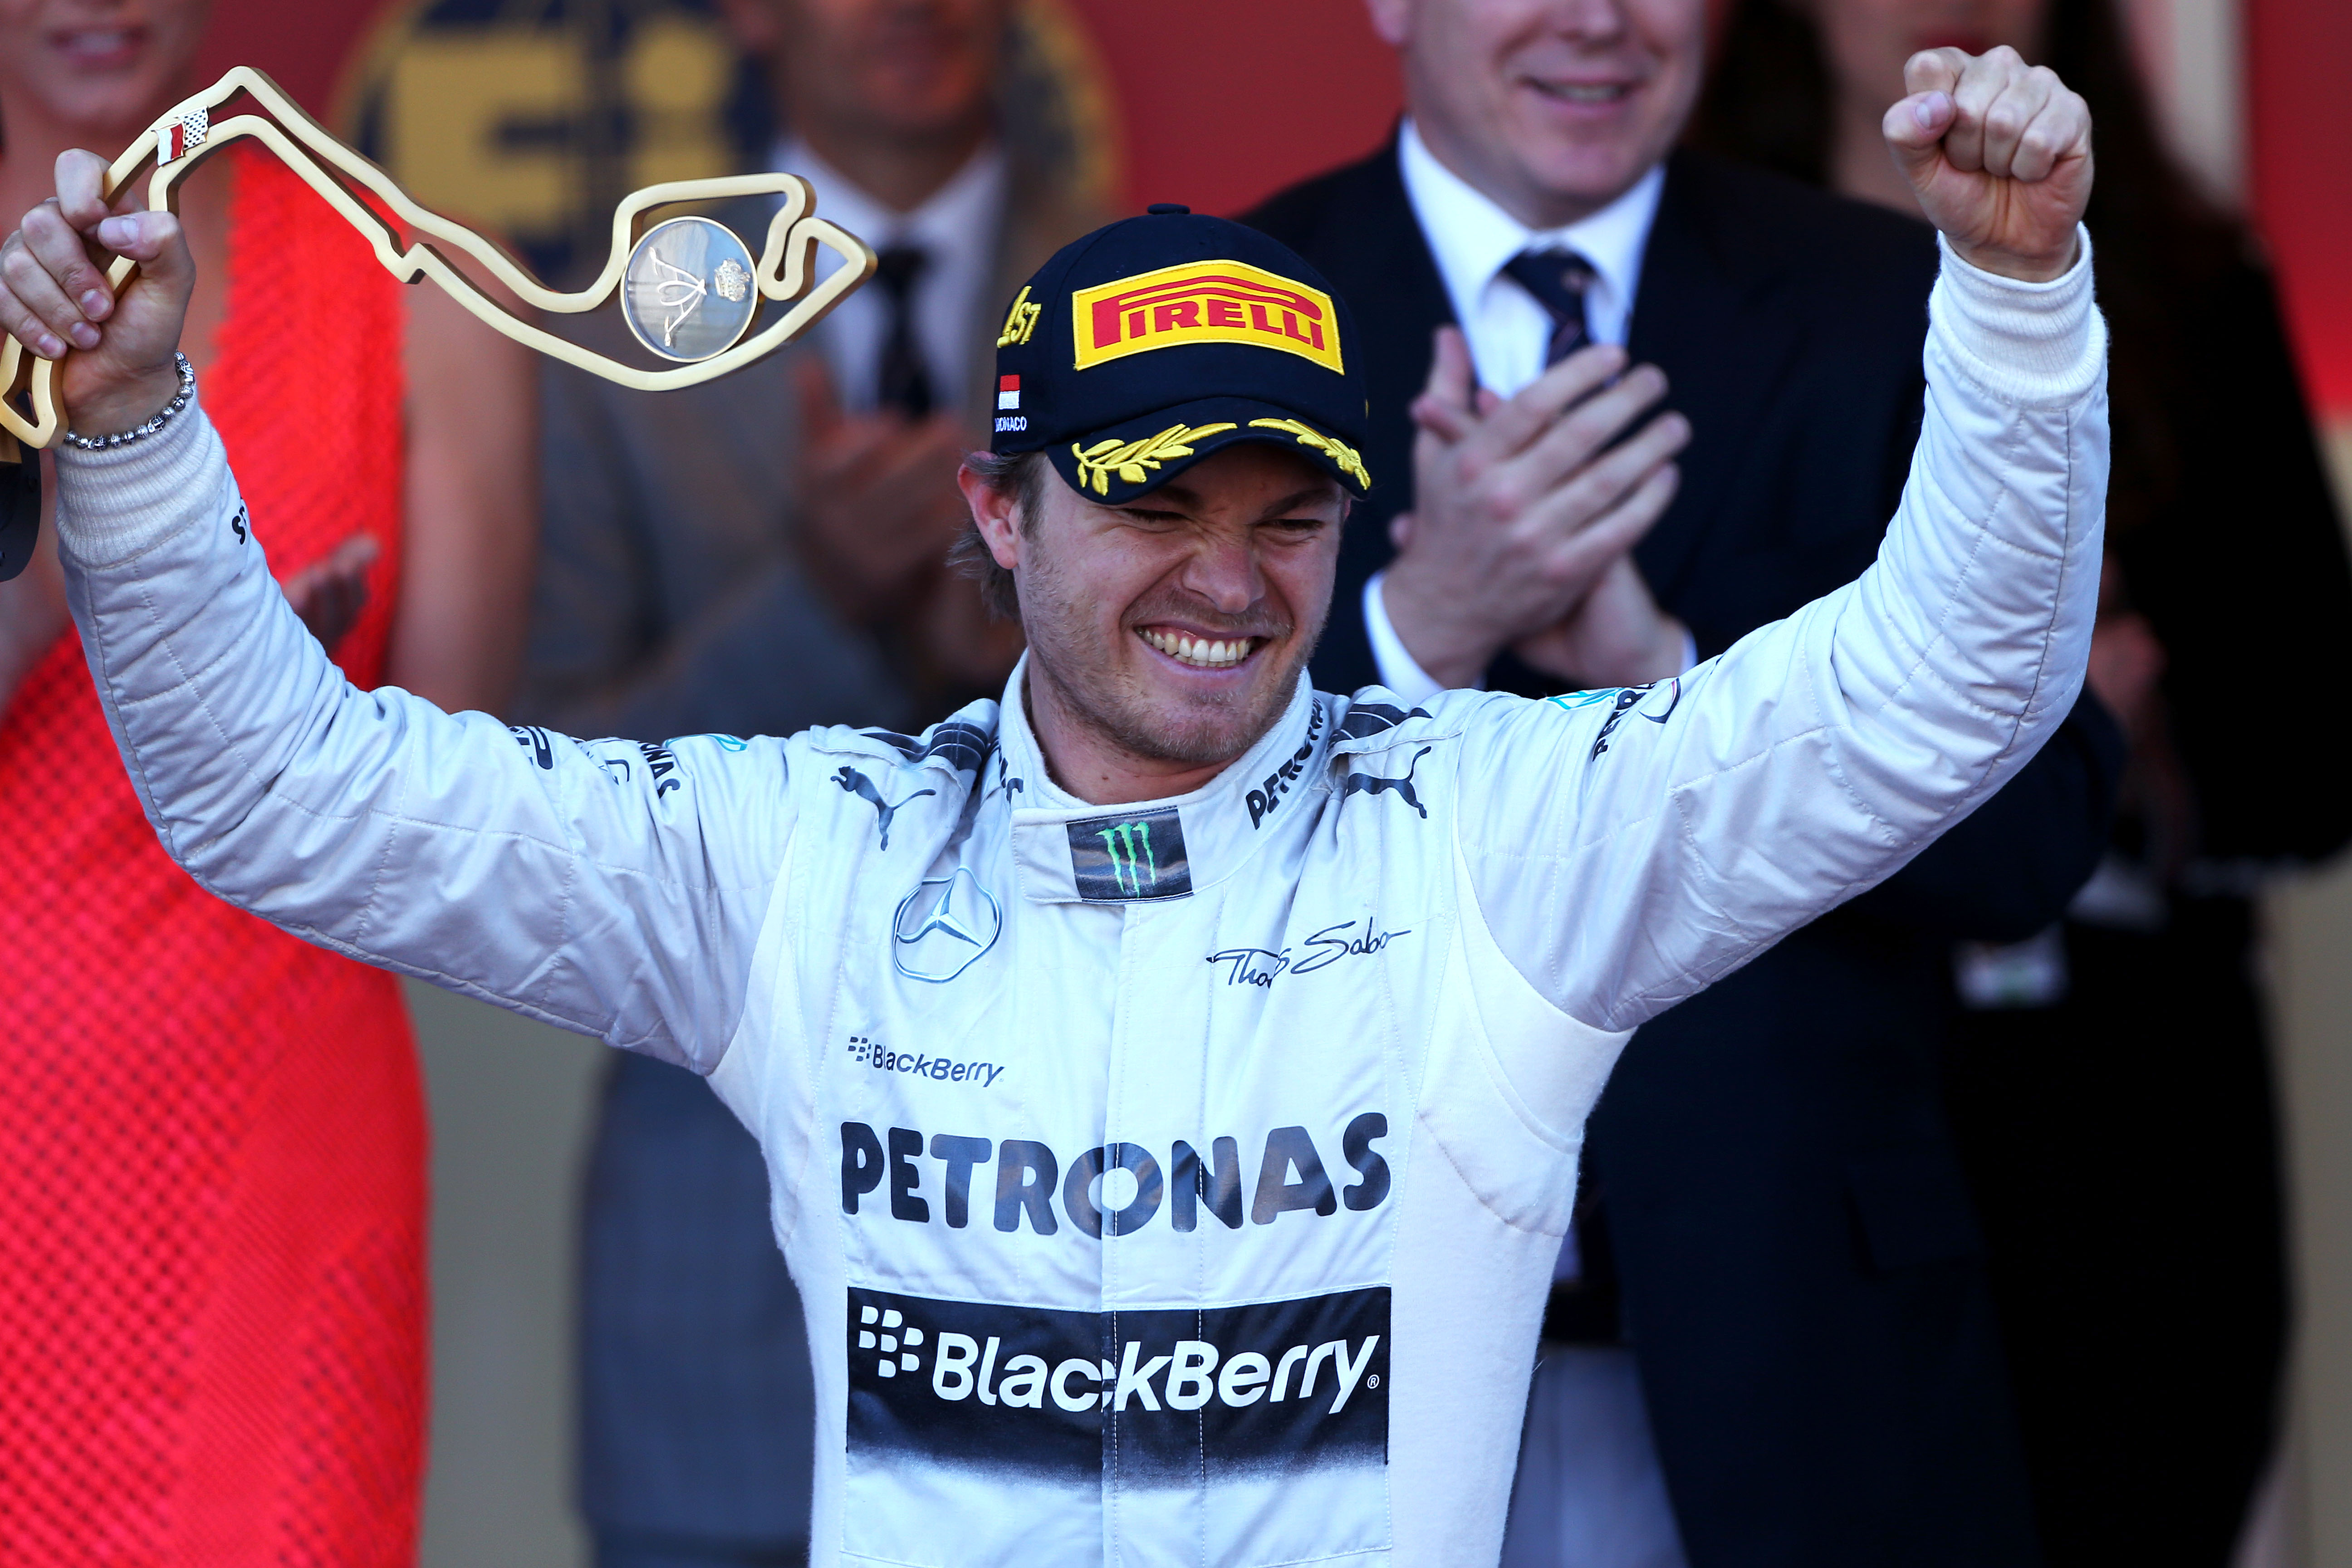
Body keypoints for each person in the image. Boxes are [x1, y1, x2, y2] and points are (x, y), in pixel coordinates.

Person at [6, 45, 2102, 1567]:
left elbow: (1941, 698)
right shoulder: (811, 856)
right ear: (998, 514)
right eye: (1154, 503)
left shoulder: (1496, 833)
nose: (1228, 579)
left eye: (1290, 518)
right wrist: (131, 433)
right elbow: (286, 795)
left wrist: (2019, 308)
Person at [1243, 3, 2118, 1561]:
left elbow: (2040, 835)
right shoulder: (1223, 308)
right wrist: (1418, 627)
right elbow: (1087, 811)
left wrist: (1671, 672)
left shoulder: (1887, 294)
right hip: (1318, 1345)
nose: (1598, 20)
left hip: (1796, 1359)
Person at [1687, 0, 2352, 1562]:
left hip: (2118, 1102)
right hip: (1793, 1091)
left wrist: (2129, 729)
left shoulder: (2188, 281)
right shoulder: (1691, 276)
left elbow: (2313, 754)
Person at [523, 0, 1100, 1560]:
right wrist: (819, 604)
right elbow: (553, 795)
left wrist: (1023, 664)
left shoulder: (1147, 288)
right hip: (722, 1284)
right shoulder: (618, 318)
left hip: (1097, 1249)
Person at [0, 0, 537, 1560]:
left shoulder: (425, 281)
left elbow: (459, 835)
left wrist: (277, 713)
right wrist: (134, 552)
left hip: (271, 1138)